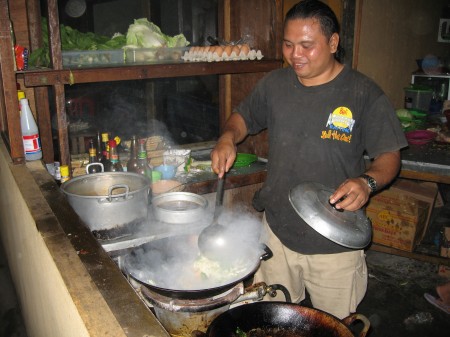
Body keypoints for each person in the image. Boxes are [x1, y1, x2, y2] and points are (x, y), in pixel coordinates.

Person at [210, 0, 408, 319]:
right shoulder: (274, 85)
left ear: (333, 43)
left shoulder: (363, 93)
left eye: (306, 45)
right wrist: (227, 137)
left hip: (336, 242)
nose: (295, 55)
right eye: (288, 44)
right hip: (276, 233)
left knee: (334, 325)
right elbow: (242, 117)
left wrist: (366, 182)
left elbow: (390, 157)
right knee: (268, 322)